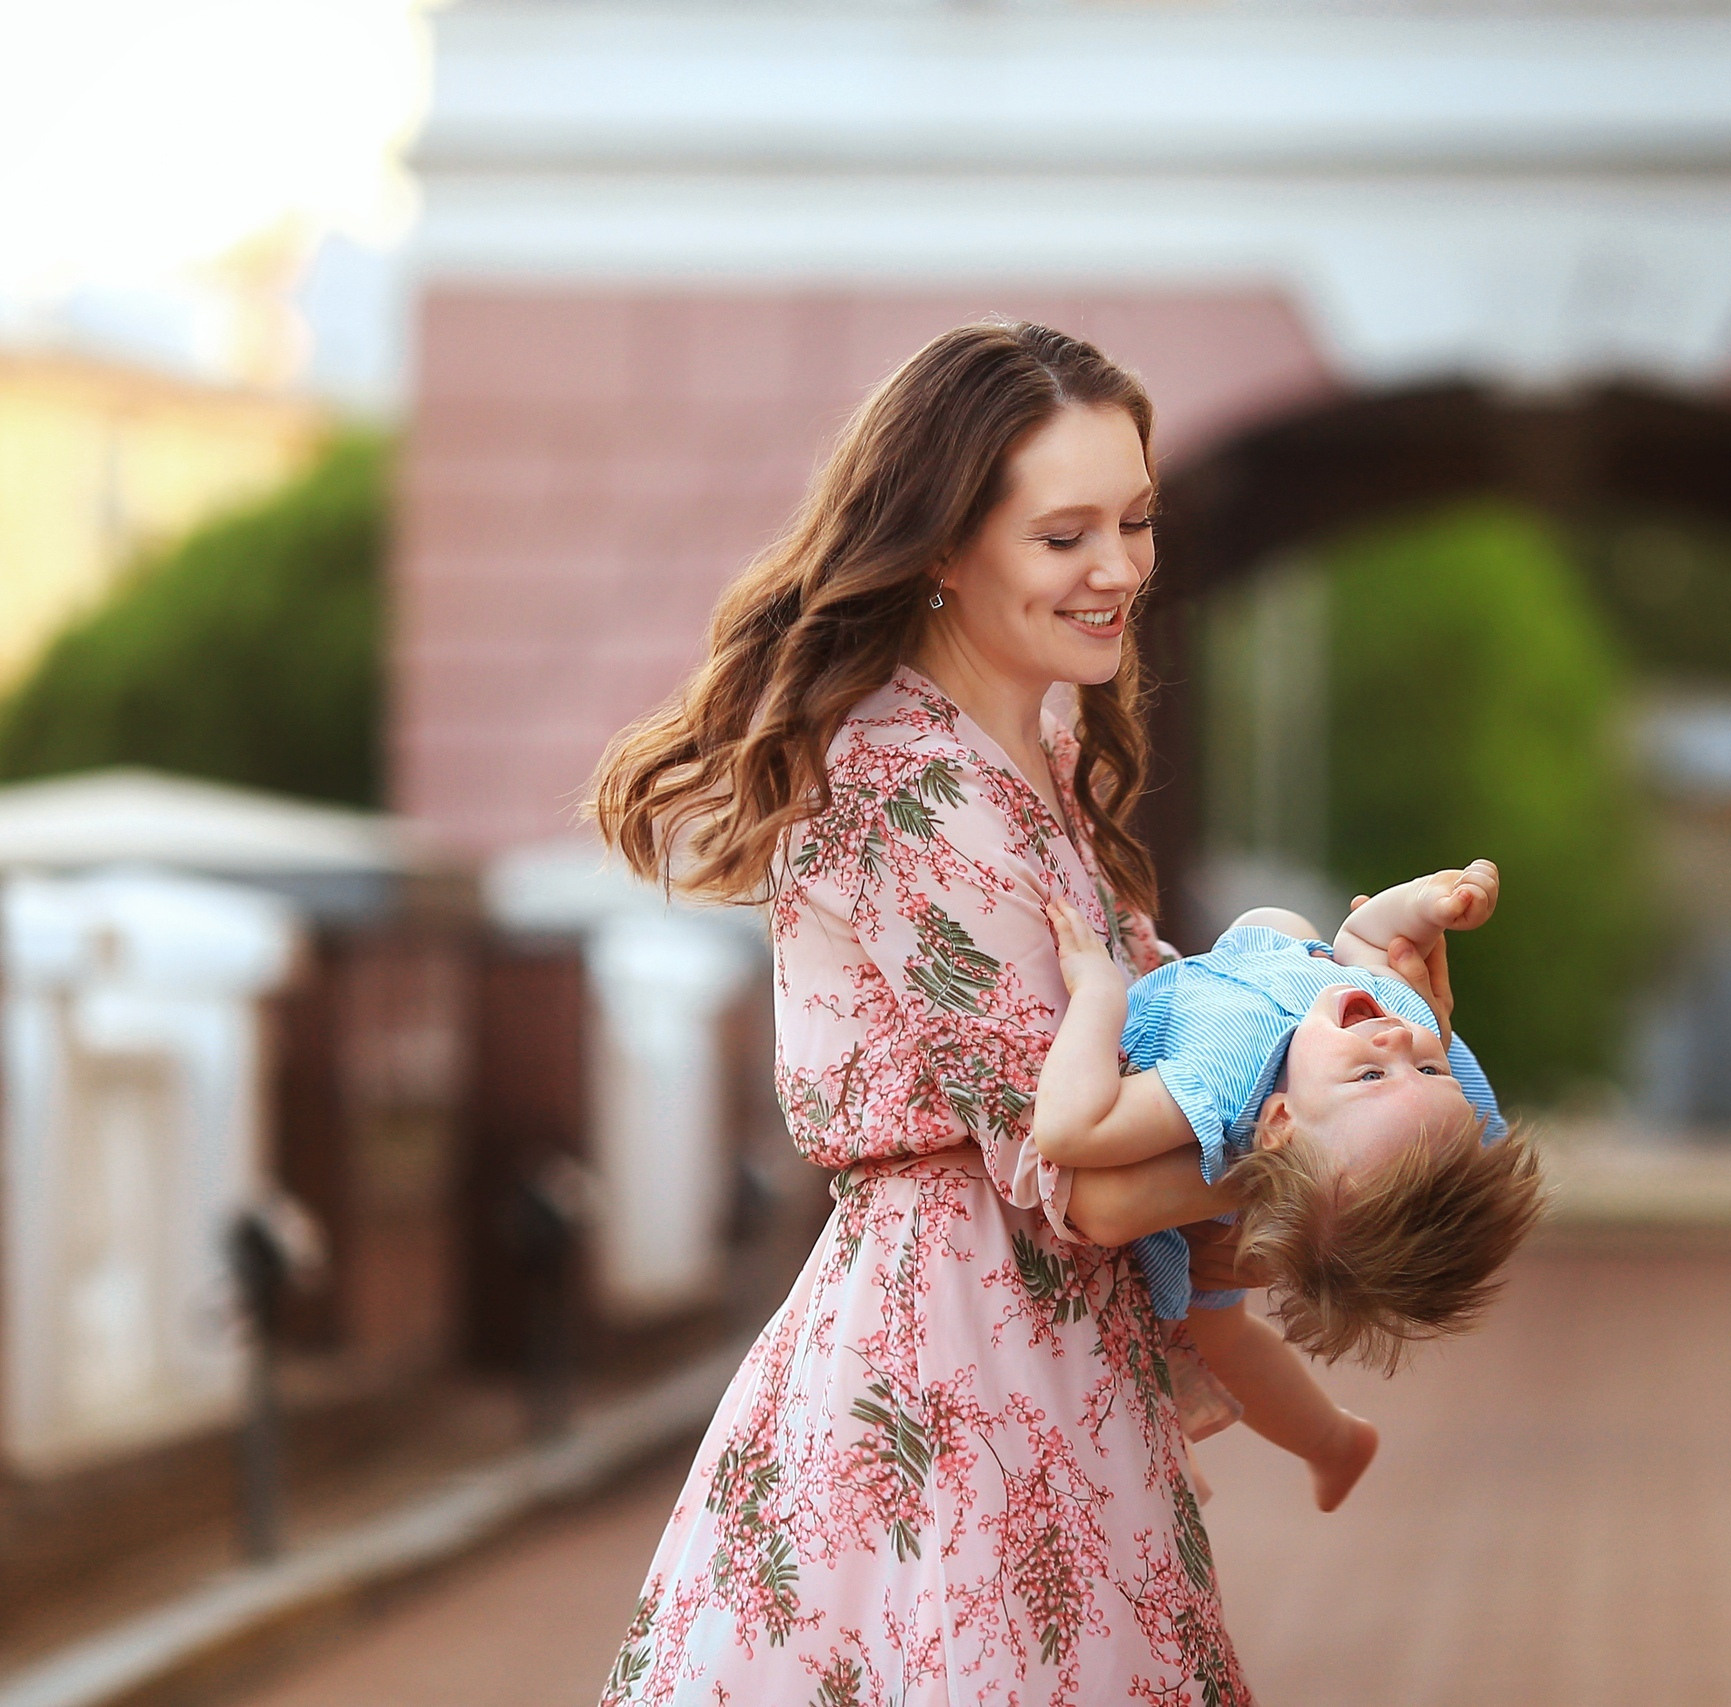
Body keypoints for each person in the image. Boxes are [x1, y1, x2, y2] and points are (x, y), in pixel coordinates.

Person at [588, 321, 1250, 1705]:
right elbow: (1081, 1178)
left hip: (1049, 1348)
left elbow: (1154, 1030)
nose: (1120, 567)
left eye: (1134, 519)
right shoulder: (910, 782)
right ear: (945, 547)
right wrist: (1318, 1143)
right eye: (1064, 534)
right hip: (957, 1367)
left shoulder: (1043, 737)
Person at [1033, 863, 1545, 1513]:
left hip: (1213, 1101)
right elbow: (1364, 937)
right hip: (1262, 977)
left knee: (1218, 1336)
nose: (1394, 1038)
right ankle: (1337, 1442)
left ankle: (1332, 1440)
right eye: (1429, 1065)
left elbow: (1071, 1132)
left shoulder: (1221, 1077)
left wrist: (1098, 995)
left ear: (1279, 1121)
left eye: (1369, 1076)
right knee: (1283, 926)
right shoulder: (1390, 1019)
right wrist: (1428, 901)